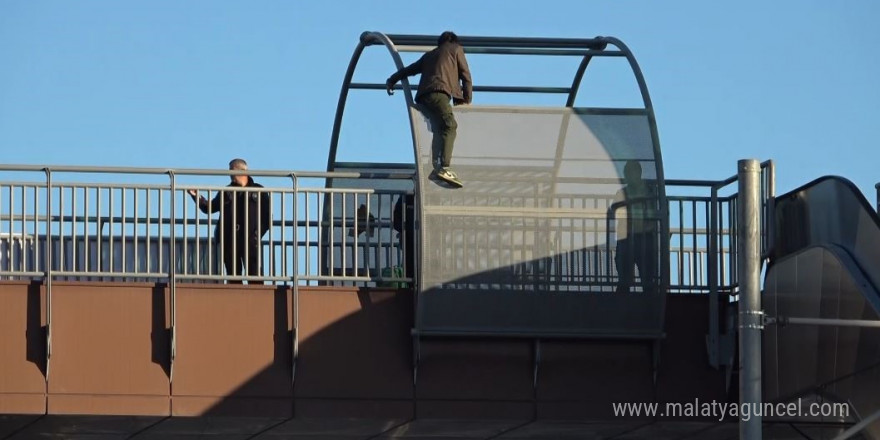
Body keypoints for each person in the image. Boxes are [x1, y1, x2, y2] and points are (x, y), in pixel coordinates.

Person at [386, 31, 472, 186]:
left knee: (439, 128)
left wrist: (392, 80)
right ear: (454, 41)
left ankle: (435, 166)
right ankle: (443, 167)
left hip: (423, 97)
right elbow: (466, 76)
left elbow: (410, 70)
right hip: (439, 93)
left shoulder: (430, 55)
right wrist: (467, 99)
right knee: (450, 125)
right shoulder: (456, 49)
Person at [188, 158, 270, 284]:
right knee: (233, 277)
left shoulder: (259, 191)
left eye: (231, 170)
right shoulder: (227, 192)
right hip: (230, 240)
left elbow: (266, 218)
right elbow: (210, 207)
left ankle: (257, 300)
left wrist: (256, 235)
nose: (229, 174)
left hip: (250, 241)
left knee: (254, 276)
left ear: (242, 171)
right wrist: (196, 196)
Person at [611, 160, 659, 294]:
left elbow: (656, 211)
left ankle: (647, 303)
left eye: (630, 172)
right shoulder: (648, 191)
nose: (628, 175)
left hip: (642, 237)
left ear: (638, 173)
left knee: (647, 278)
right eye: (627, 172)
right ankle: (625, 303)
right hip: (629, 238)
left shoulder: (649, 191)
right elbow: (614, 210)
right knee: (625, 278)